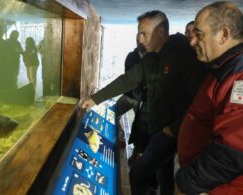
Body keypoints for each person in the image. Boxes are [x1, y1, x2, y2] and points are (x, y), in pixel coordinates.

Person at [81, 10, 205, 195]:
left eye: (144, 33)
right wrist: (95, 99)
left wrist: (174, 129)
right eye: (139, 33)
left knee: (138, 173)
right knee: (164, 176)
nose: (140, 39)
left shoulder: (186, 55)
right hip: (159, 129)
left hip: (173, 131)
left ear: (161, 32)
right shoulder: (150, 57)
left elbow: (201, 102)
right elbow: (129, 79)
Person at [176, 2, 243, 195]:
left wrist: (188, 182)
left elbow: (235, 150)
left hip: (225, 189)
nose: (192, 42)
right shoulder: (230, 67)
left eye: (199, 35)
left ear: (223, 35)